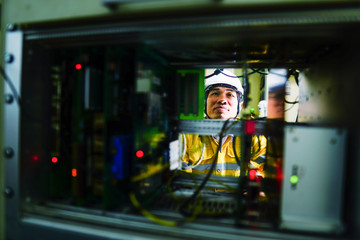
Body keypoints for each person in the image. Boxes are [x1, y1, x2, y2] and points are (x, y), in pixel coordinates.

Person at [181, 69, 266, 177]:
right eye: (215, 93)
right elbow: (181, 177)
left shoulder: (254, 136)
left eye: (230, 94)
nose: (222, 100)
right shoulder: (187, 135)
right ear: (204, 103)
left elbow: (263, 172)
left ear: (240, 106)